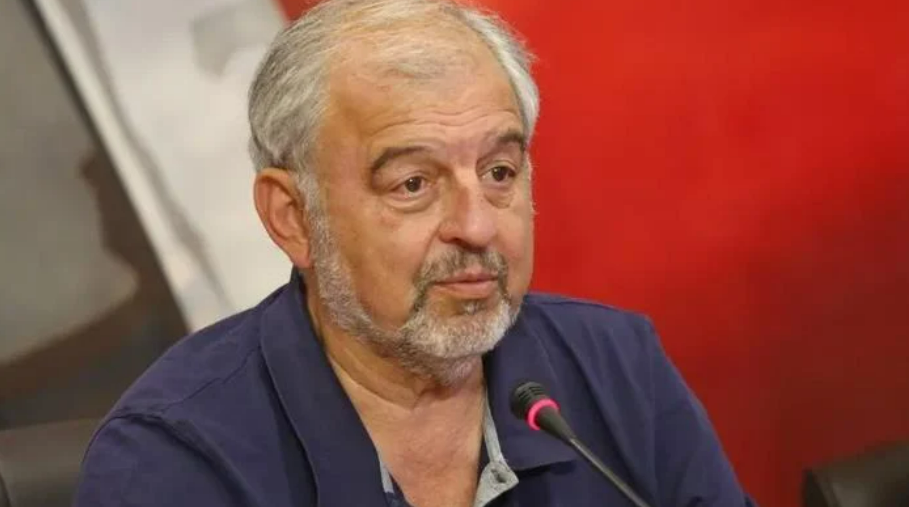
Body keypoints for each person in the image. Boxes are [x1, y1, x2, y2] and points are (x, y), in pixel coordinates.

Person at [74, 0, 757, 505]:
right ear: (294, 218)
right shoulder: (175, 459)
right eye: (413, 184)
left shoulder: (616, 366)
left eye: (499, 173)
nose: (477, 227)